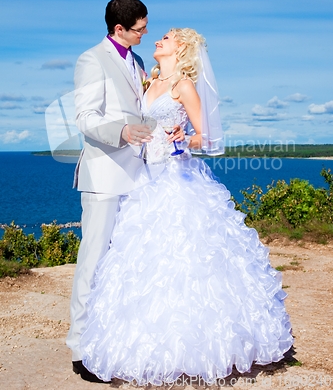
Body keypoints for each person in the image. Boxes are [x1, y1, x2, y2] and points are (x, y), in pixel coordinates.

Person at [79, 28, 294, 385]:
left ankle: (200, 347)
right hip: (147, 180)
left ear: (182, 48)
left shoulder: (184, 87)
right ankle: (146, 345)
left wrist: (186, 136)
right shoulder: (149, 83)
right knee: (145, 264)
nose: (158, 39)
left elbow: (207, 136)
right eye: (158, 36)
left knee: (190, 258)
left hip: (179, 180)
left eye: (167, 37)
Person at [67, 0, 165, 383]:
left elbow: (144, 113)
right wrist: (121, 132)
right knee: (93, 262)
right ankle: (80, 348)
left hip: (140, 178)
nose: (146, 34)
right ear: (119, 29)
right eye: (140, 29)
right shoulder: (91, 60)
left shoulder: (139, 62)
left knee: (126, 264)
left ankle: (117, 341)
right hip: (105, 176)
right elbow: (86, 119)